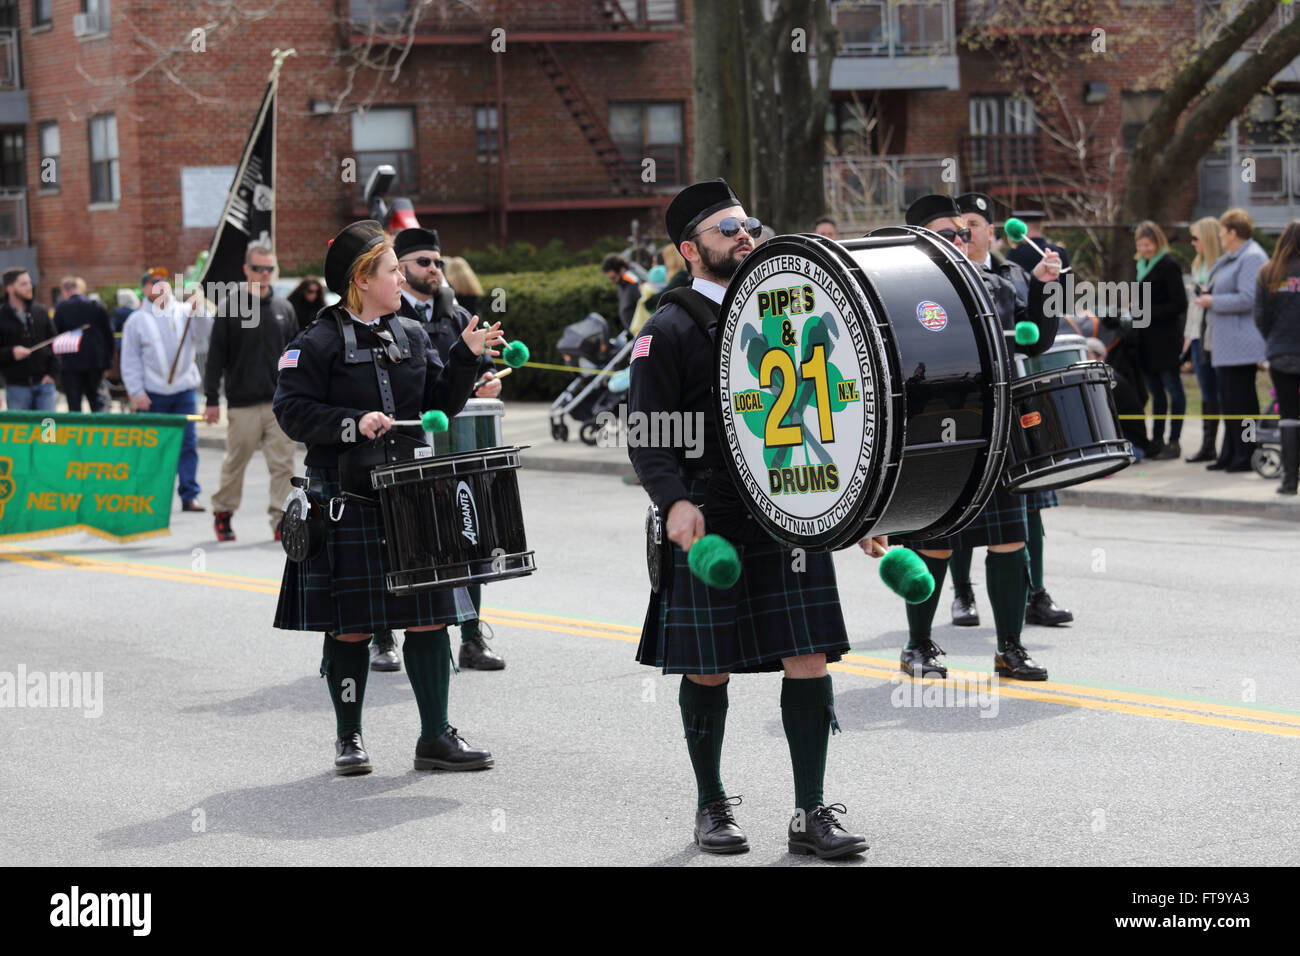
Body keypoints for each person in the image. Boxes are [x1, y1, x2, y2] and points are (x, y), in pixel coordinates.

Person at [629, 178, 874, 859]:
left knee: (809, 655)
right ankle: (711, 805)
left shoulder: (786, 316)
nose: (745, 235)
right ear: (689, 250)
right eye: (726, 229)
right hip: (710, 516)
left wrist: (858, 507)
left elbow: (828, 412)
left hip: (791, 507)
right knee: (709, 667)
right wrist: (674, 501)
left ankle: (810, 814)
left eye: (750, 225)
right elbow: (648, 433)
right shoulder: (670, 327)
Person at [272, 219, 506, 776]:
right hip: (346, 497)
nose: (402, 279)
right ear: (362, 279)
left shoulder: (413, 334)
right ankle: (348, 738)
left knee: (429, 620)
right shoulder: (316, 341)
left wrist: (466, 359)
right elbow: (291, 412)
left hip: (412, 495)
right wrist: (354, 423)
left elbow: (439, 409)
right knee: (350, 624)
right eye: (393, 271)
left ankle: (435, 739)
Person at [896, 194, 1061, 683]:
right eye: (949, 234)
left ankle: (1010, 649)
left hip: (998, 424)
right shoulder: (907, 292)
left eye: (964, 233)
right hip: (940, 429)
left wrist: (1047, 291)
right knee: (936, 543)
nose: (961, 240)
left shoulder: (998, 283)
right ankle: (917, 645)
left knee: (1011, 539)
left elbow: (1037, 341)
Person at [946, 193, 1071, 628]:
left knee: (1029, 502)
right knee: (961, 502)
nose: (966, 230)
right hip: (965, 407)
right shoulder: (941, 276)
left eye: (975, 222)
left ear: (993, 232)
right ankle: (962, 594)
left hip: (1013, 405)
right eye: (958, 223)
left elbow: (1036, 339)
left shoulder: (1012, 274)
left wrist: (1045, 287)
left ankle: (1034, 590)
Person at [383, 226, 503, 673]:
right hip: (409, 443)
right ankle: (383, 636)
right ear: (401, 269)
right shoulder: (388, 316)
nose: (435, 270)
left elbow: (482, 365)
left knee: (468, 537)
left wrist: (486, 381)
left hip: (458, 441)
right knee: (401, 540)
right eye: (424, 262)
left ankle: (471, 637)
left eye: (438, 262)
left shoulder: (455, 314)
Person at [203, 246, 300, 541]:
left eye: (269, 269)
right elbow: (215, 357)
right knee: (236, 462)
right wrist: (211, 400)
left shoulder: (284, 308)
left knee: (283, 464)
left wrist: (299, 393)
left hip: (278, 404)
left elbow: (295, 355)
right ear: (246, 270)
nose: (264, 274)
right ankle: (223, 512)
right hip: (242, 402)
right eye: (258, 268)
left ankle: (281, 521)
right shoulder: (231, 307)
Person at [120, 269, 213, 512]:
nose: (161, 285)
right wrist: (137, 392)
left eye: (164, 281)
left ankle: (189, 495)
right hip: (152, 394)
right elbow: (130, 360)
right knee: (152, 446)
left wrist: (200, 309)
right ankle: (150, 495)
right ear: (145, 289)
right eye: (154, 282)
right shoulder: (136, 321)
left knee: (188, 444)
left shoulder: (183, 311)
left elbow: (203, 333)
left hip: (182, 390)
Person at [1194, 208, 1269, 472]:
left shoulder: (1252, 257)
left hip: (1242, 344)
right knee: (1229, 402)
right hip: (1226, 345)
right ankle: (1230, 452)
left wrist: (1213, 301)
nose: (1220, 236)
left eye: (1223, 231)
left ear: (1233, 232)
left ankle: (1247, 454)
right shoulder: (1231, 258)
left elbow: (1249, 298)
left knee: (1243, 403)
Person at [1132, 221, 1188, 459]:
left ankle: (1174, 440)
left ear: (1158, 242)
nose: (1144, 249)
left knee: (1173, 388)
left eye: (1148, 244)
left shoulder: (1168, 266)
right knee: (1156, 393)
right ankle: (1157, 438)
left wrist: (1149, 311)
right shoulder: (1141, 265)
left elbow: (1179, 304)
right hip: (1146, 340)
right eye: (1141, 245)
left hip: (1165, 339)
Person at [1253, 220, 1300, 494]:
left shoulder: (1268, 273)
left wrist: (1273, 340)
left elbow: (1260, 317)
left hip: (1280, 353)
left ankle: (1289, 480)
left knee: (1288, 416)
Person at [1184, 217, 1223, 463]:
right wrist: (1188, 336)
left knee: (1221, 391)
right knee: (1206, 391)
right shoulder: (1197, 265)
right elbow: (1192, 307)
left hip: (1215, 336)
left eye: (1196, 238)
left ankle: (1227, 445)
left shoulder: (1219, 266)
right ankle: (1208, 445)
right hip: (1197, 335)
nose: (1192, 243)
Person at [52, 276, 115, 413]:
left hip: (70, 364)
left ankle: (76, 433)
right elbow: (109, 335)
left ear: (65, 291)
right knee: (97, 401)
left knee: (74, 405)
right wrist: (108, 363)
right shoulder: (95, 305)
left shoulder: (62, 308)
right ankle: (100, 432)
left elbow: (54, 335)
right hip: (95, 363)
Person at [0, 268, 59, 411]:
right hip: (16, 387)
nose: (29, 287)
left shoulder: (41, 311)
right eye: (23, 284)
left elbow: (55, 343)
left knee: (48, 432)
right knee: (22, 431)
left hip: (45, 385)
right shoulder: (2, 316)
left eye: (29, 282)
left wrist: (52, 374)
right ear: (10, 288)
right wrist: (11, 352)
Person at [1086, 337, 1147, 459]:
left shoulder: (1109, 381)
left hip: (1132, 447)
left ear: (1101, 358)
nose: (1083, 360)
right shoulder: (1102, 378)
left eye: (1087, 355)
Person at [1006, 209, 1071, 276]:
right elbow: (1068, 281)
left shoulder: (1015, 252)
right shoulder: (1059, 250)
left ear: (1020, 228)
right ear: (1040, 226)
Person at [644, 241, 690, 313]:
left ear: (671, 260)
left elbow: (660, 297)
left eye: (665, 259)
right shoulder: (684, 275)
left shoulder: (681, 276)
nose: (665, 263)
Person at [602, 253, 643, 332]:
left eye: (613, 278)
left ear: (622, 270)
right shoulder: (622, 284)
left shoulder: (634, 282)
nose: (611, 281)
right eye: (609, 278)